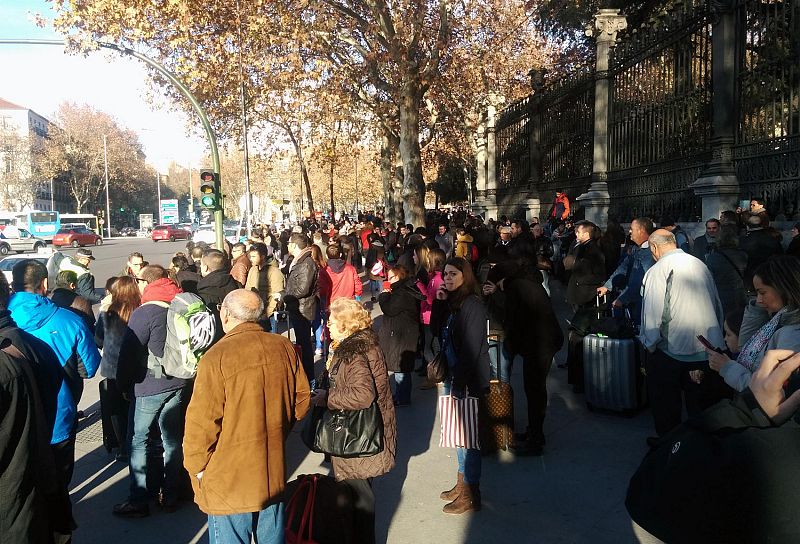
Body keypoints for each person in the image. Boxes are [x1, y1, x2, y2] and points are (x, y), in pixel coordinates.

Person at [184, 290, 310, 544]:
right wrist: (278, 428)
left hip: (228, 478)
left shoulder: (216, 357)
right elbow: (301, 401)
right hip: (270, 471)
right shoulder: (283, 346)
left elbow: (201, 424)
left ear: (225, 314)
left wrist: (196, 468)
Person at [9, 259, 101, 542]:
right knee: (58, 481)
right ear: (45, 284)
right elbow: (89, 368)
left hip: (13, 417)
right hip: (58, 415)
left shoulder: (6, 319)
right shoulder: (70, 320)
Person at [309, 297, 396, 543]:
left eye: (332, 320)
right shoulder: (361, 343)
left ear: (346, 324)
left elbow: (363, 394)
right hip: (364, 433)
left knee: (358, 501)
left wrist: (327, 397)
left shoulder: (353, 352)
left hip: (356, 436)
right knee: (359, 497)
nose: (328, 324)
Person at [113, 265, 191, 517]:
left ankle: (138, 499)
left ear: (145, 282)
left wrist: (123, 386)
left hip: (149, 385)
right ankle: (171, 494)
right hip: (179, 381)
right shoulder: (181, 303)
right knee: (171, 440)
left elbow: (128, 354)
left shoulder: (145, 311)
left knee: (138, 441)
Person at [639, 229, 724, 439]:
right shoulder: (699, 264)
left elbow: (653, 313)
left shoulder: (658, 270)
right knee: (700, 408)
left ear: (654, 247)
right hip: (706, 349)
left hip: (670, 351)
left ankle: (669, 446)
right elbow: (716, 302)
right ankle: (700, 446)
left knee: (666, 409)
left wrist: (650, 344)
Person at [484, 259, 563, 456]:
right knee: (536, 391)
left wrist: (512, 348)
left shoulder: (515, 289)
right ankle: (534, 432)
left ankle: (535, 440)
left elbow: (514, 323)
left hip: (539, 344)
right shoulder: (527, 283)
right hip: (544, 341)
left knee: (534, 391)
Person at [436, 257, 491, 514]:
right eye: (445, 274)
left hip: (467, 380)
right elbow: (437, 333)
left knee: (469, 439)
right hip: (454, 377)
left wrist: (459, 383)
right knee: (459, 435)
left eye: (453, 274)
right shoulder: (454, 302)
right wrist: (439, 302)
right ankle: (462, 483)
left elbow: (472, 348)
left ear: (465, 275)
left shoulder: (473, 305)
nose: (447, 278)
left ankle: (471, 492)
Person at [705, 256, 800, 392]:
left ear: (784, 288)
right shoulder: (778, 319)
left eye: (762, 292)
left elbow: (770, 391)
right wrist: (759, 307)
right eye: (756, 293)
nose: (759, 300)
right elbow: (744, 345)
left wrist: (727, 368)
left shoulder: (792, 334)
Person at [94, 275, 141, 461]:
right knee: (135, 406)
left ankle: (122, 446)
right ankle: (137, 443)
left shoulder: (107, 313)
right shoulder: (140, 310)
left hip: (112, 368)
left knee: (116, 409)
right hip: (137, 367)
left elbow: (98, 340)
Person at [378, 265, 424, 406]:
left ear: (399, 276)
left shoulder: (401, 292)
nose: (388, 280)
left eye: (391, 277)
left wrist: (384, 295)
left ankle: (403, 398)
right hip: (403, 333)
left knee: (400, 368)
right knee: (400, 366)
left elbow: (389, 309)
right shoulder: (403, 289)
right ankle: (400, 394)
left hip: (402, 335)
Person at [597, 217, 655, 326]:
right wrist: (607, 286)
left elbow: (639, 280)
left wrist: (623, 299)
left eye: (632, 229)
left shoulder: (650, 253)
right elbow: (623, 268)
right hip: (631, 300)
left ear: (641, 231)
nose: (629, 231)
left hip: (641, 303)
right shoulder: (635, 249)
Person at [284, 232, 320, 385]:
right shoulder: (299, 261)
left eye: (289, 243)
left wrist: (284, 295)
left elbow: (302, 289)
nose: (287, 246)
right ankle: (305, 376)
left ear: (294, 245)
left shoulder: (306, 263)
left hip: (303, 309)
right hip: (298, 307)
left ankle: (309, 378)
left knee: (304, 345)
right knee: (302, 343)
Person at [197, 249, 240, 344]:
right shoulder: (236, 284)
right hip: (236, 335)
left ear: (205, 267)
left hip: (213, 341)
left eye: (201, 264)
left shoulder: (203, 292)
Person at [704, 224, 747, 316]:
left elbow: (708, 279)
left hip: (721, 296)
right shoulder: (743, 255)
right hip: (739, 295)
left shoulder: (713, 257)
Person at [565, 220, 606, 311]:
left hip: (586, 294)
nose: (576, 234)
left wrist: (581, 280)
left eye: (579, 232)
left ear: (586, 234)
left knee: (583, 317)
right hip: (577, 292)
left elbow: (600, 275)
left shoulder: (594, 250)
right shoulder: (580, 246)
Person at [739, 213, 783, 294]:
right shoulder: (772, 239)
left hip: (750, 278)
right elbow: (780, 256)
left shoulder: (743, 241)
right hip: (770, 275)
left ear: (748, 226)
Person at [245, 242, 285, 331]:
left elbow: (277, 295)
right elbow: (248, 288)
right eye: (250, 256)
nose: (251, 259)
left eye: (254, 256)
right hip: (254, 312)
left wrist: (268, 312)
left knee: (270, 337)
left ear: (262, 256)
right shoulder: (252, 270)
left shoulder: (274, 272)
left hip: (268, 315)